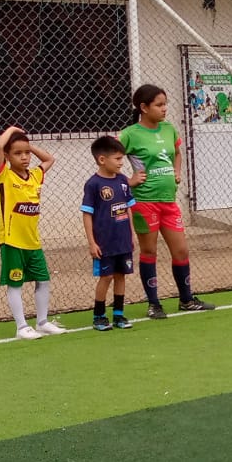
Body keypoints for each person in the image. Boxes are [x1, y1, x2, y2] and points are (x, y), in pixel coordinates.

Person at [118, 84, 214, 318]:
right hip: (144, 202)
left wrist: (177, 171)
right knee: (149, 251)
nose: (164, 109)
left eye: (165, 104)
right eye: (159, 105)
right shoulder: (129, 134)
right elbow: (109, 160)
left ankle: (186, 299)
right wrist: (129, 180)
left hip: (168, 202)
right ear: (144, 107)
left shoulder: (169, 129)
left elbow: (177, 153)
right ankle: (154, 304)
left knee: (181, 250)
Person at [0, 126, 66, 339]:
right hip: (12, 241)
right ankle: (21, 327)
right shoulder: (4, 176)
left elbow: (49, 159)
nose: (24, 157)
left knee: (43, 280)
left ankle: (42, 322)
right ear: (7, 156)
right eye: (18, 153)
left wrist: (28, 146)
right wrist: (12, 130)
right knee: (15, 283)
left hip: (33, 241)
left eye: (26, 153)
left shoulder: (35, 175)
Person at [81, 135, 136, 331]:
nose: (121, 163)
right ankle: (99, 316)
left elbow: (128, 208)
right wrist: (92, 242)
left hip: (123, 241)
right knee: (107, 277)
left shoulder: (122, 180)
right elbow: (87, 214)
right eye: (118, 159)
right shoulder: (93, 184)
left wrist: (131, 234)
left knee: (121, 275)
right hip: (105, 243)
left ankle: (119, 315)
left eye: (122, 158)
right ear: (102, 159)